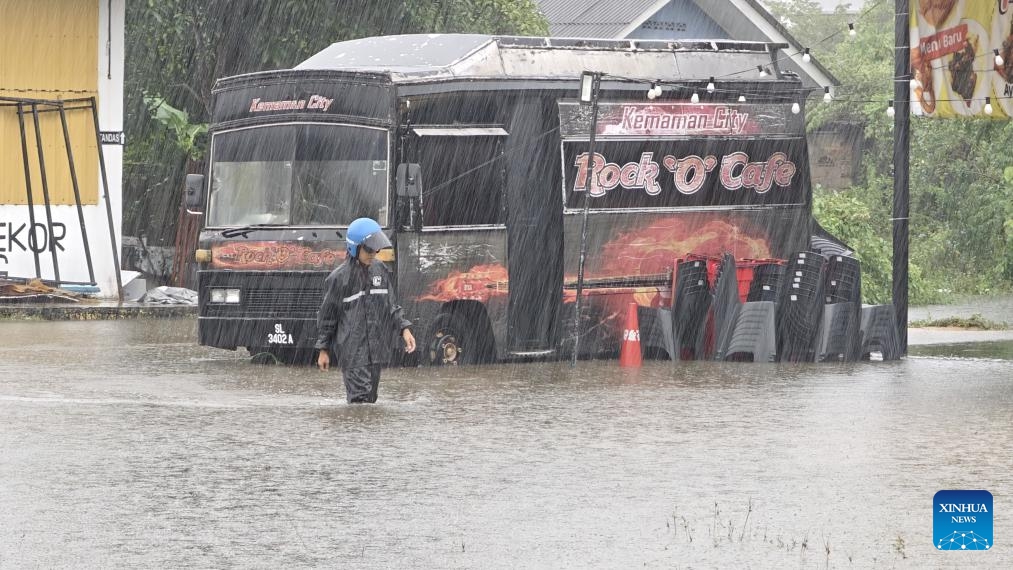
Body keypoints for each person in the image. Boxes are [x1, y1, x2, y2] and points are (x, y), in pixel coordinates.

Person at [315, 218, 416, 403]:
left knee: (371, 400)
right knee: (359, 402)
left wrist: (404, 329)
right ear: (355, 248)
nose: (373, 253)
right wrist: (324, 349)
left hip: (376, 350)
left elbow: (391, 305)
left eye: (376, 249)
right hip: (352, 352)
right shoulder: (338, 279)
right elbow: (327, 317)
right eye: (369, 249)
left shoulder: (380, 270)